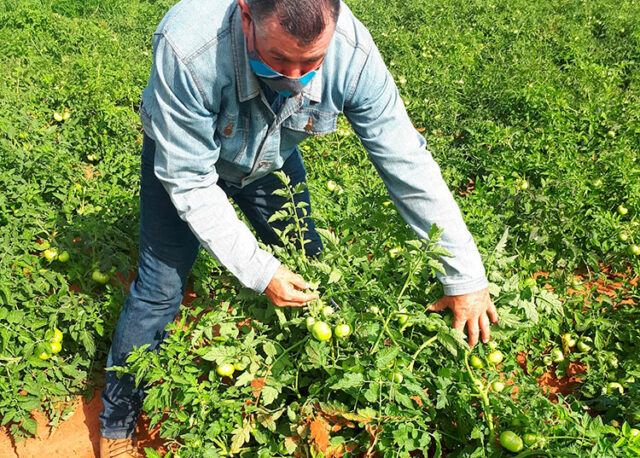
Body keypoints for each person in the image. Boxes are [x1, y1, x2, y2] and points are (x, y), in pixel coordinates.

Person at [98, 0, 499, 455]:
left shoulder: (353, 55)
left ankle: (300, 377)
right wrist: (259, 270)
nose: (293, 77)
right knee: (160, 287)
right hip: (185, 160)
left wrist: (464, 274)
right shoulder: (189, 46)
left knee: (305, 260)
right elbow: (188, 178)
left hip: (271, 161)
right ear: (246, 15)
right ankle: (116, 420)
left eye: (311, 62)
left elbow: (406, 160)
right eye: (278, 58)